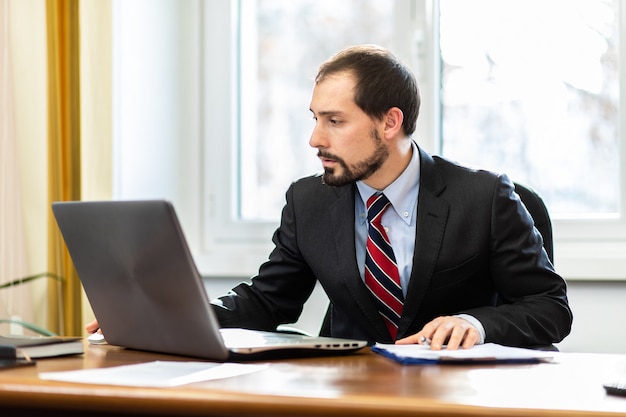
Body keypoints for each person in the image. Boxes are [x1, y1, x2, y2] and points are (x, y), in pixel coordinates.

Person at [87, 44, 572, 351]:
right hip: (350, 394)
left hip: (456, 399)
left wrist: (475, 323)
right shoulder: (309, 200)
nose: (315, 139)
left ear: (389, 122)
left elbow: (550, 308)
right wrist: (171, 316)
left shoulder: (484, 197)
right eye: (314, 118)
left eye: (334, 121)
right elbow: (268, 301)